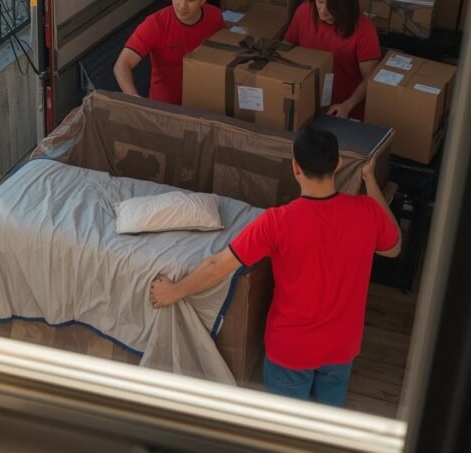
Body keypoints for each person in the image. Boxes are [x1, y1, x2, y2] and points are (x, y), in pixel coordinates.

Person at [149, 124, 400, 407]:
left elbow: (218, 266)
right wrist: (370, 181)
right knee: (328, 426)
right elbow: (394, 247)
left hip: (290, 351)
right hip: (341, 348)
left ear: (295, 168)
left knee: (284, 431)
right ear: (338, 164)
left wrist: (175, 291)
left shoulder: (277, 222)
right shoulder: (366, 212)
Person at [113, 0, 224, 105]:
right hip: (165, 108)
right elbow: (122, 64)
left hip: (202, 104)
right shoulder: (155, 24)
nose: (182, 5)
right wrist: (135, 100)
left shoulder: (215, 17)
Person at [283, 0, 382, 120]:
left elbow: (370, 79)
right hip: (304, 105)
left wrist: (348, 105)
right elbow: (285, 51)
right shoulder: (303, 12)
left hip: (343, 112)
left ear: (345, 5)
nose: (322, 10)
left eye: (332, 6)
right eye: (320, 1)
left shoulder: (364, 29)